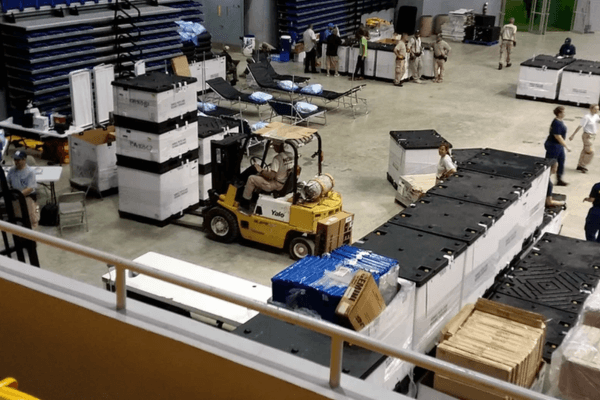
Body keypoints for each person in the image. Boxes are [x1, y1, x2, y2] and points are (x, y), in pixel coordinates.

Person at [240, 143, 294, 214]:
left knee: (251, 179)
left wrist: (261, 170)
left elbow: (271, 176)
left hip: (277, 185)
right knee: (262, 175)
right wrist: (264, 171)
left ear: (277, 146)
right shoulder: (291, 155)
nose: (274, 147)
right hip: (285, 181)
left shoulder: (277, 158)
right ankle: (255, 199)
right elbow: (281, 170)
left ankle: (245, 205)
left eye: (274, 145)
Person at [6, 150, 39, 229]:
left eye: (18, 160)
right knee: (18, 219)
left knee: (32, 219)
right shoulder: (11, 170)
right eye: (15, 160)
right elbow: (8, 182)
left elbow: (30, 188)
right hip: (15, 197)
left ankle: (33, 236)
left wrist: (19, 195)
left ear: (24, 160)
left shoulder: (30, 172)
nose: (16, 162)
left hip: (27, 197)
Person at [569, 104, 599, 173]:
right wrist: (573, 135)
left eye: (598, 109)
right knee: (591, 152)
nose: (597, 110)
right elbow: (580, 126)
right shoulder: (586, 117)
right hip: (587, 136)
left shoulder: (596, 116)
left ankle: (579, 165)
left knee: (585, 151)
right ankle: (583, 165)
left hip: (593, 136)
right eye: (595, 109)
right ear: (591, 109)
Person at [544, 106, 571, 186]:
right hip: (553, 145)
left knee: (561, 161)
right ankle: (545, 179)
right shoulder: (557, 123)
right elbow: (557, 136)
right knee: (551, 162)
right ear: (559, 114)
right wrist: (566, 146)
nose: (565, 113)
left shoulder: (560, 121)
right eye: (563, 112)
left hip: (559, 145)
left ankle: (559, 179)